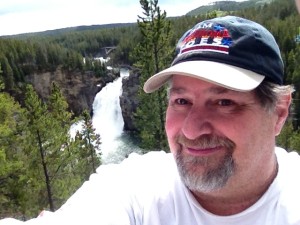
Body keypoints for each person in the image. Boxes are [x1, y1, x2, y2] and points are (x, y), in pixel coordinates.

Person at [1, 15, 300, 225]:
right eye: (181, 101)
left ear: (279, 112)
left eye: (224, 102)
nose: (192, 130)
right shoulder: (135, 187)